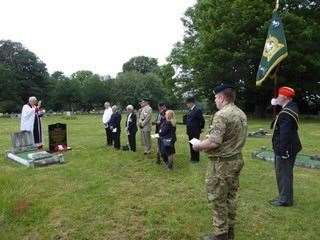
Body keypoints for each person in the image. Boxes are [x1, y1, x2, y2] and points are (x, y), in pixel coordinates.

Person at [193, 83, 247, 240]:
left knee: (218, 199)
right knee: (230, 196)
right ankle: (230, 232)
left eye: (216, 97)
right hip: (236, 160)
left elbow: (214, 142)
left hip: (222, 164)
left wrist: (198, 145)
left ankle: (220, 235)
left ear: (222, 97)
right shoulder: (240, 113)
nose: (215, 100)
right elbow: (227, 137)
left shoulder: (222, 115)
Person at [270, 86, 302, 207]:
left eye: (279, 95)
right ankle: (284, 196)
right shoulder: (290, 107)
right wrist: (275, 103)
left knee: (283, 174)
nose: (277, 97)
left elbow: (285, 134)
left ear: (285, 97)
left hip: (286, 148)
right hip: (289, 146)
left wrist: (283, 151)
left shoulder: (287, 113)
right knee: (284, 173)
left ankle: (285, 200)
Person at [185, 96, 205, 163]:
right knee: (191, 144)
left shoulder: (197, 110)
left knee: (195, 145)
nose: (186, 104)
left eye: (187, 103)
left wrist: (201, 128)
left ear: (191, 103)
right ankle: (192, 158)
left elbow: (202, 120)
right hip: (190, 131)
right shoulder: (190, 110)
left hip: (195, 131)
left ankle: (196, 159)